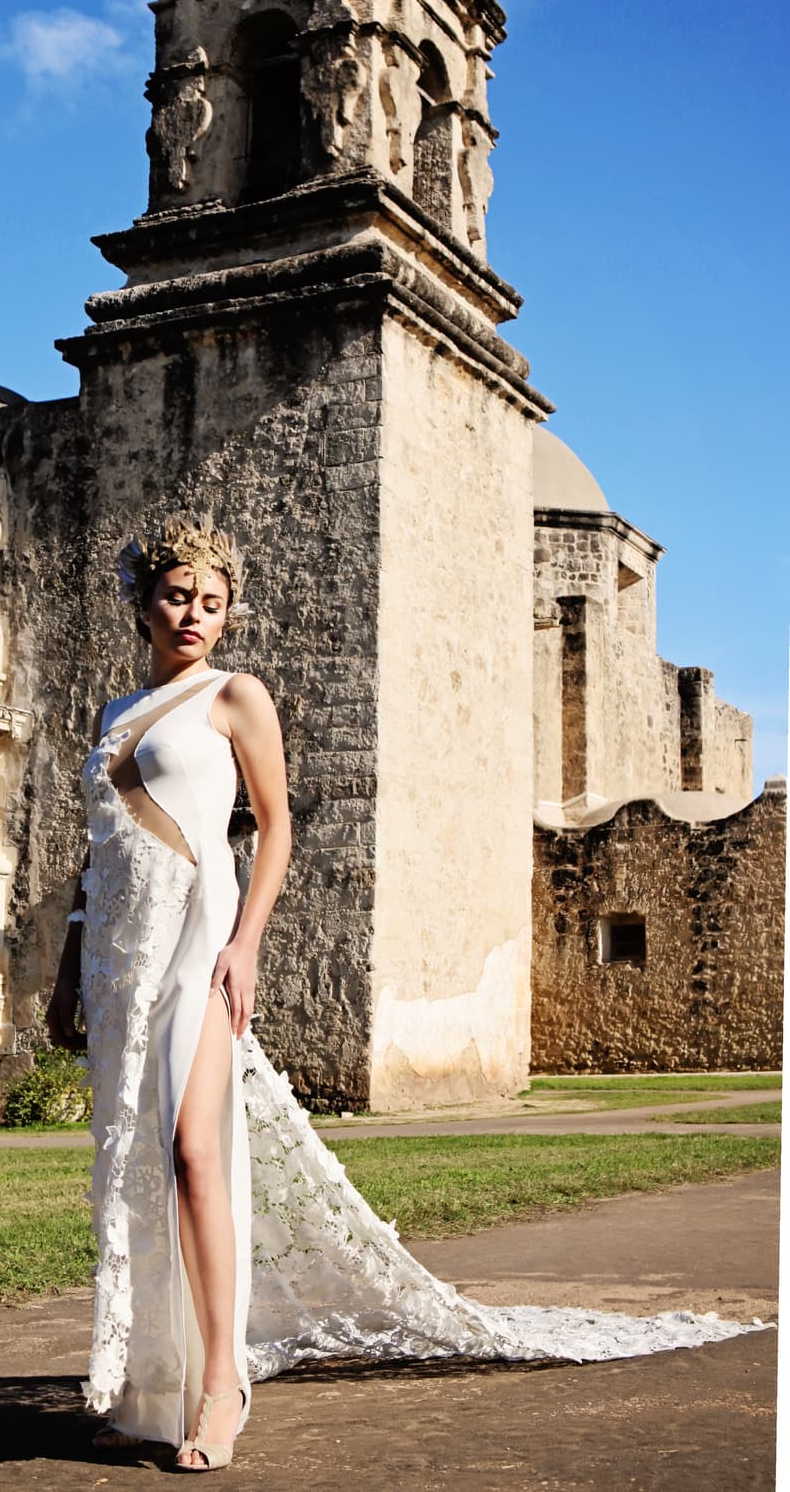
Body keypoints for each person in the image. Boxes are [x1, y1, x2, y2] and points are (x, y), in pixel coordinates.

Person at [46, 516, 760, 1474]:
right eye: (177, 596)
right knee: (138, 1161)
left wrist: (246, 946)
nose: (194, 615)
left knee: (192, 1152)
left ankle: (223, 1384)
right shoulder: (112, 713)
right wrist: (69, 967)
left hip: (201, 937)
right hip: (120, 956)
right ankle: (151, 1389)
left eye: (212, 603)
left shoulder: (236, 697)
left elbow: (279, 829)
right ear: (143, 600)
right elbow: (95, 859)